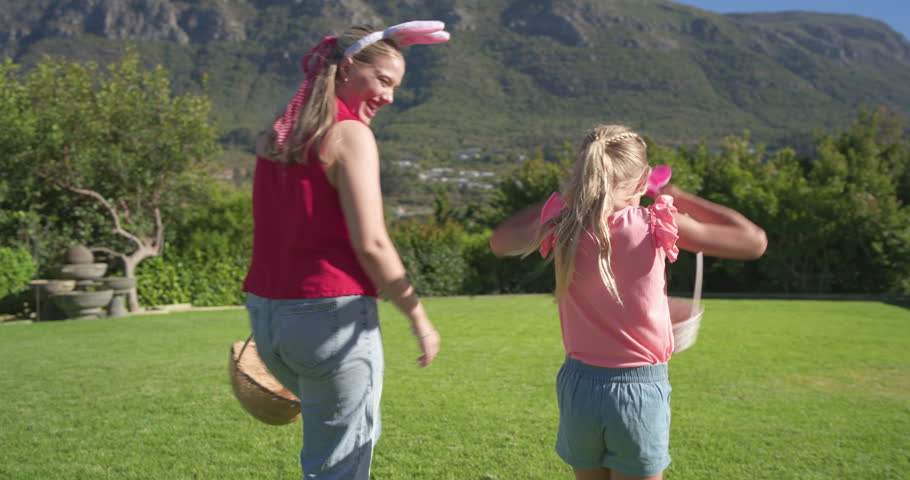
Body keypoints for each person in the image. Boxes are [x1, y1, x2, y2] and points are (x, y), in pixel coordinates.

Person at [489, 125, 767, 480]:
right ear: (643, 182)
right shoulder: (655, 223)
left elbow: (500, 240)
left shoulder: (563, 224)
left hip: (578, 387)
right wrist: (681, 196)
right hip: (638, 390)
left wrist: (562, 198)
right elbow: (754, 242)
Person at [242, 22, 448, 479]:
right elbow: (372, 243)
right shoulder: (350, 135)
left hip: (268, 317)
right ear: (349, 67)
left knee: (325, 457)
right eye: (384, 80)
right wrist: (419, 317)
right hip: (329, 317)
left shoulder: (278, 134)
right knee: (341, 464)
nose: (389, 97)